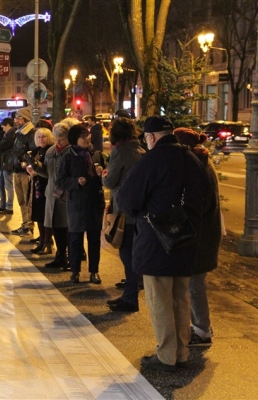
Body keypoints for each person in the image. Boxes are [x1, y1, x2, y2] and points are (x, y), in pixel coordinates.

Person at [118, 116, 209, 372]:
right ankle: (181, 352)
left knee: (159, 299)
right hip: (186, 239)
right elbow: (204, 198)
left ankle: (166, 355)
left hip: (157, 241)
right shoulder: (190, 159)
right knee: (180, 297)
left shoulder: (152, 160)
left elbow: (128, 200)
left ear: (151, 137)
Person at [173, 128, 222, 347]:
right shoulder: (201, 163)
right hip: (203, 233)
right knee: (194, 282)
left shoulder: (198, 167)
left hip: (201, 235)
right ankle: (199, 326)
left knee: (195, 283)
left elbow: (198, 204)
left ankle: (202, 330)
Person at [102, 117, 145, 312]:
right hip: (139, 210)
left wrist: (103, 175)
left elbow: (110, 181)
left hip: (125, 210)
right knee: (131, 252)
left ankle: (130, 298)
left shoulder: (119, 152)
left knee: (127, 254)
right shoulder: (140, 150)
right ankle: (130, 293)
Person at [56, 124, 106, 284]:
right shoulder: (68, 156)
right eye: (83, 136)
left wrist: (102, 174)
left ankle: (94, 271)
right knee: (75, 238)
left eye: (88, 135)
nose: (87, 138)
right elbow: (60, 181)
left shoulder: (96, 155)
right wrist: (76, 181)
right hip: (76, 202)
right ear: (75, 139)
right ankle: (75, 271)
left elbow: (106, 175)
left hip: (94, 202)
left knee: (94, 238)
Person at [43, 118, 79, 269]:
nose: (58, 142)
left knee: (69, 229)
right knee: (56, 227)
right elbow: (47, 173)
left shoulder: (73, 152)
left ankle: (72, 258)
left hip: (67, 196)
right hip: (53, 195)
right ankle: (60, 256)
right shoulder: (50, 151)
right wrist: (35, 167)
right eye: (56, 139)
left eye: (62, 139)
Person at [26, 127, 54, 254]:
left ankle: (48, 243)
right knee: (38, 216)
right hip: (36, 187)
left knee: (46, 217)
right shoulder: (36, 150)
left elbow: (47, 171)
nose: (41, 139)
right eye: (39, 137)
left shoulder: (50, 151)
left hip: (46, 186)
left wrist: (35, 172)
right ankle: (42, 241)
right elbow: (31, 164)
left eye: (44, 136)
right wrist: (28, 169)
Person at [10, 107, 37, 236]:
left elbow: (32, 152)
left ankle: (29, 226)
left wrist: (24, 161)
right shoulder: (19, 133)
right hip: (17, 170)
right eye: (15, 118)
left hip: (25, 172)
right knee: (21, 200)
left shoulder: (31, 133)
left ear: (25, 119)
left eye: (18, 118)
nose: (16, 120)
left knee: (27, 200)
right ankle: (24, 223)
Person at [0, 117, 17, 214]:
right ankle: (2, 205)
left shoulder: (12, 134)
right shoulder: (7, 134)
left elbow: (2, 146)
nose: (2, 128)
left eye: (3, 126)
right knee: (0, 184)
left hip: (7, 163)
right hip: (2, 162)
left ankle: (9, 207)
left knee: (8, 185)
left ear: (7, 125)